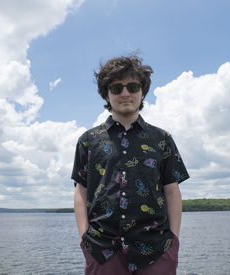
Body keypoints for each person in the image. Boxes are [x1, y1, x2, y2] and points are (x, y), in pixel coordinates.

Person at [72, 55, 189, 275]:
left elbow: (172, 191)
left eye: (132, 86)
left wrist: (173, 242)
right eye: (116, 88)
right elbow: (81, 191)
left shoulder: (162, 139)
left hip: (156, 250)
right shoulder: (88, 140)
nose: (125, 94)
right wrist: (83, 237)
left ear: (142, 92)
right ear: (107, 94)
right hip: (102, 250)